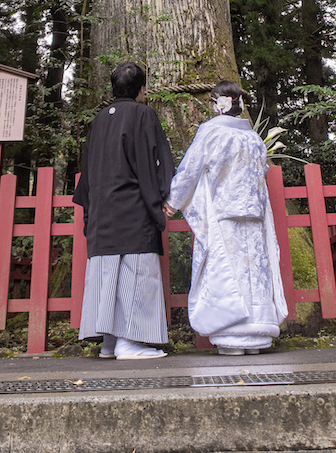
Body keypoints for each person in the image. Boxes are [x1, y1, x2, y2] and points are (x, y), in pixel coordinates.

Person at [163, 81, 288, 355]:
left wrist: (174, 200)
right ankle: (258, 334)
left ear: (219, 104)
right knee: (254, 271)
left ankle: (232, 335)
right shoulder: (254, 139)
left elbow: (191, 169)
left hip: (224, 213)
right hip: (253, 215)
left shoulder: (211, 132)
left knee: (227, 269)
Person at [73, 62, 175, 359]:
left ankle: (109, 341)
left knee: (107, 277)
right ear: (141, 89)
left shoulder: (98, 120)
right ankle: (130, 342)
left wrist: (90, 212)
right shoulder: (144, 114)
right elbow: (157, 160)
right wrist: (165, 196)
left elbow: (88, 171)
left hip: (102, 212)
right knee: (135, 275)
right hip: (133, 210)